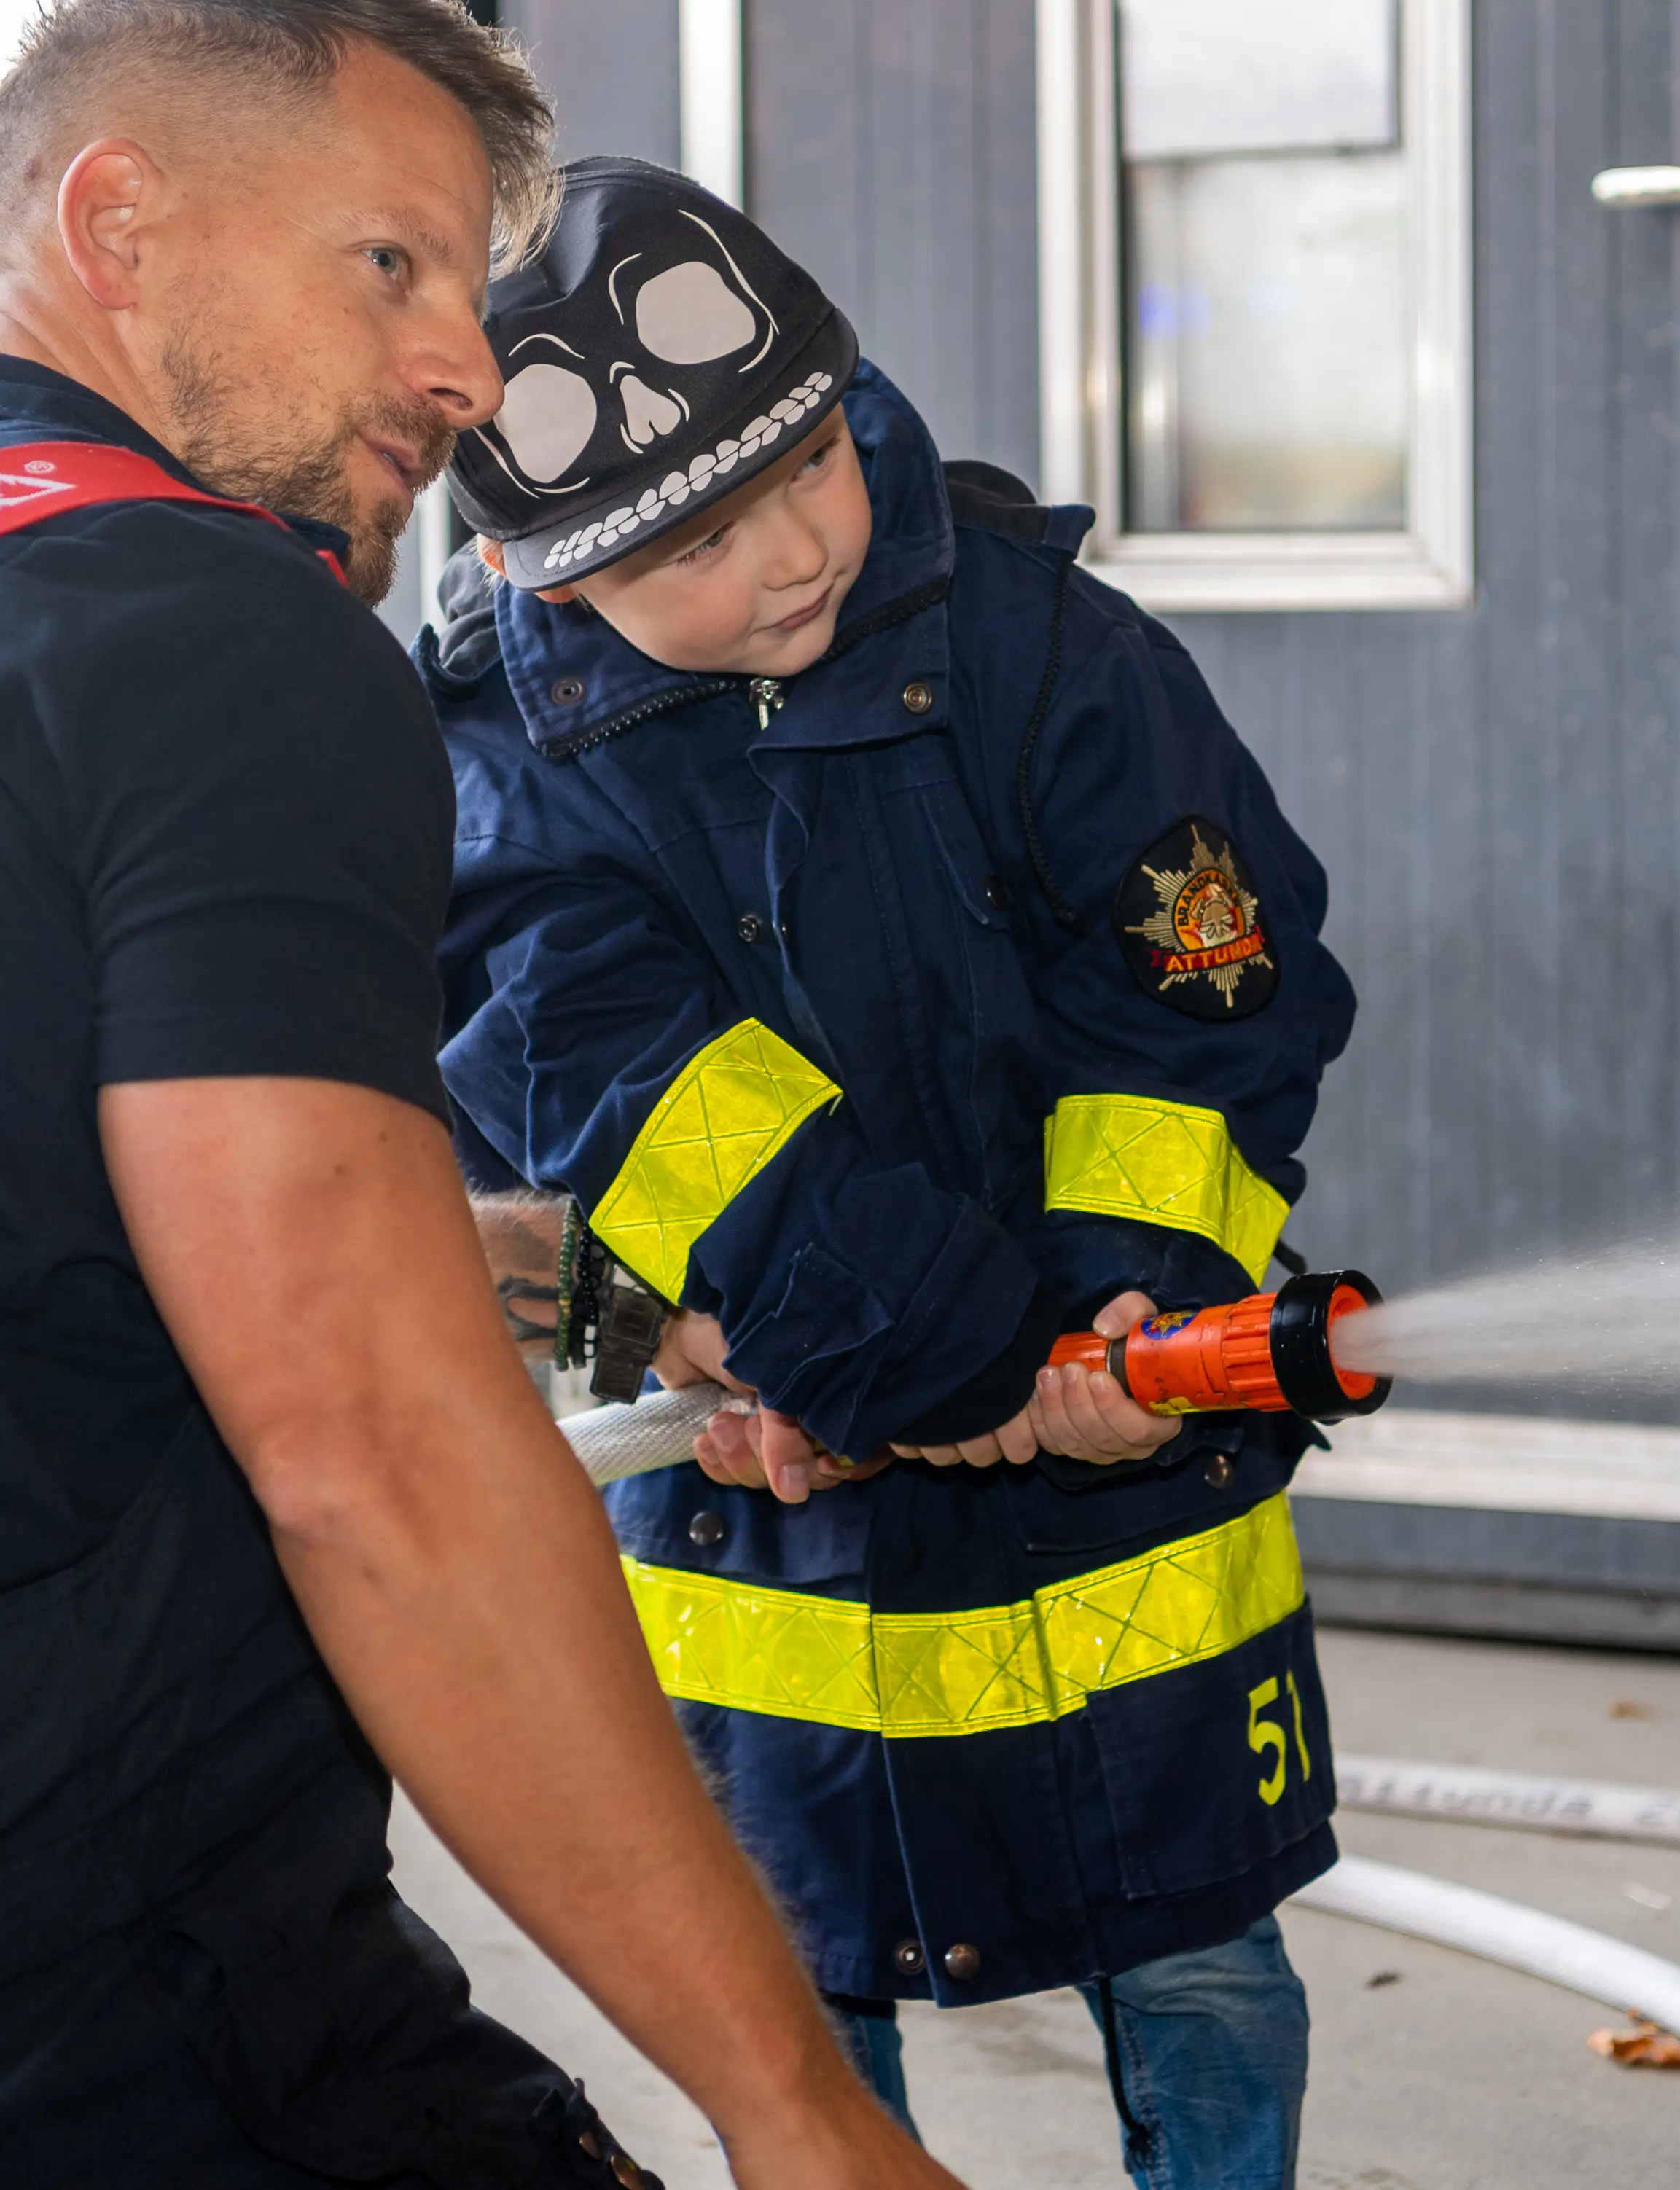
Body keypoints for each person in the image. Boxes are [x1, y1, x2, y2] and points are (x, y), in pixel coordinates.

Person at [0, 0, 956, 2189]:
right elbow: (376, 1459)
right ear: (115, 222)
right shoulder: (192, 616)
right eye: (391, 265)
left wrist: (441, 1249)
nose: (465, 369)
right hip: (102, 2012)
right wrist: (802, 2113)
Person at [423, 160, 1360, 2187]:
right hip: (777, 1519)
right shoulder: (507, 785)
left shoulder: (1047, 652)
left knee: (1201, 1966)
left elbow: (1207, 1000)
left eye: (809, 466)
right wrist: (891, 1347)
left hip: (1130, 1496)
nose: (785, 555)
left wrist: (1127, 1299)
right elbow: (610, 1108)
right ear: (550, 574)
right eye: (692, 539)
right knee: (797, 1985)